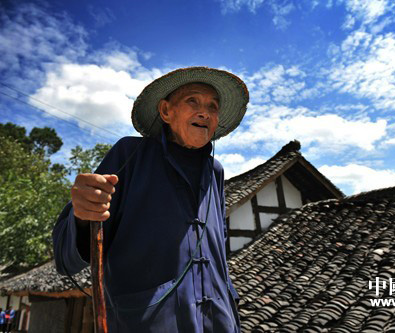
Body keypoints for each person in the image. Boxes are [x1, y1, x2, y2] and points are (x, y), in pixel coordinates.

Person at [53, 67, 249, 332]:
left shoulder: (215, 172)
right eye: (193, 101)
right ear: (166, 111)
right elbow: (67, 259)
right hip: (148, 322)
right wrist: (82, 214)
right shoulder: (130, 154)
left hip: (219, 321)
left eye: (213, 107)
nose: (205, 112)